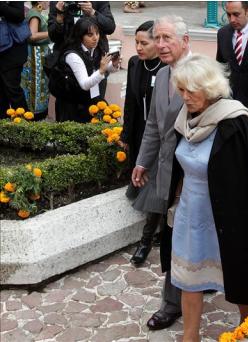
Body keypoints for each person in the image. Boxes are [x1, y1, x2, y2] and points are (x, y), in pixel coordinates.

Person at [168, 53, 248, 342]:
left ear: (210, 88)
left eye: (192, 90)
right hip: (192, 210)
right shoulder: (185, 119)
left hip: (229, 214)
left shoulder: (233, 121)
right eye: (181, 90)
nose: (186, 97)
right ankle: (191, 336)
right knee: (190, 275)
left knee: (237, 270)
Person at [133, 15, 190, 331]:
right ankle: (176, 298)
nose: (161, 44)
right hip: (167, 173)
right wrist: (143, 161)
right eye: (158, 38)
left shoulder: (202, 75)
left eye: (168, 38)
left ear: (185, 41)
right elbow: (154, 125)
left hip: (192, 176)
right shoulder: (163, 74)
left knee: (183, 238)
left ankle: (175, 301)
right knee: (173, 238)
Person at [118, 21, 166, 266]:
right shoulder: (135, 64)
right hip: (141, 134)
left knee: (157, 186)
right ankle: (159, 230)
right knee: (141, 183)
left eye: (143, 43)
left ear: (157, 43)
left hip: (163, 136)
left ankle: (145, 240)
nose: (138, 47)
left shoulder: (168, 67)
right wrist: (126, 135)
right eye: (136, 42)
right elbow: (131, 104)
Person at [52, 17, 120, 122]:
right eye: (90, 35)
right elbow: (84, 84)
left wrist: (113, 65)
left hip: (89, 101)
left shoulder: (95, 49)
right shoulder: (73, 56)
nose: (95, 38)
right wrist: (101, 70)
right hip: (73, 106)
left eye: (97, 34)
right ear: (80, 36)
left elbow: (100, 68)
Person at [48, 1, 115, 98]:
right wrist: (59, 17)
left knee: (96, 106)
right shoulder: (58, 2)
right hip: (67, 67)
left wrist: (92, 12)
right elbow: (53, 36)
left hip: (95, 61)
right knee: (68, 106)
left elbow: (110, 27)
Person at [216, 1, 248, 108]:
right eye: (229, 15)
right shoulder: (222, 34)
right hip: (228, 104)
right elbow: (220, 68)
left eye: (236, 14)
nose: (232, 19)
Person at [21, 1, 51, 120]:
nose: (48, 2)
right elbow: (32, 35)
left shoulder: (36, 13)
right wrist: (51, 33)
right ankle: (35, 115)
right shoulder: (34, 14)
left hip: (39, 54)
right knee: (36, 85)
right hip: (35, 56)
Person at [0, 2, 28, 119]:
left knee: (12, 89)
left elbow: (18, 15)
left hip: (12, 51)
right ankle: (4, 127)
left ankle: (25, 125)